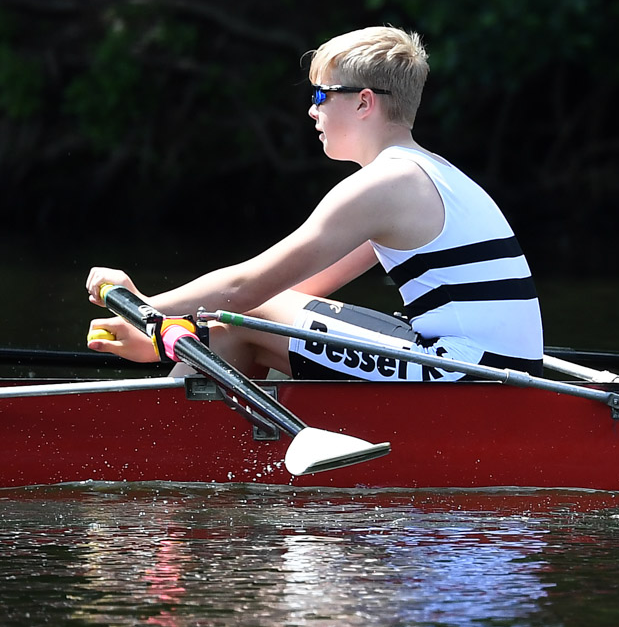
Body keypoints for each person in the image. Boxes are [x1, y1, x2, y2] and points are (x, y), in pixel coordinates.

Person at [83, 26, 544, 381]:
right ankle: (201, 454)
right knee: (238, 323)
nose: (312, 110)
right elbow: (302, 287)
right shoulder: (432, 171)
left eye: (322, 94)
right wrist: (184, 330)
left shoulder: (386, 183)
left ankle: (161, 459)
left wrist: (146, 312)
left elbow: (246, 288)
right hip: (495, 369)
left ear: (364, 103)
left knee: (242, 314)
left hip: (472, 376)